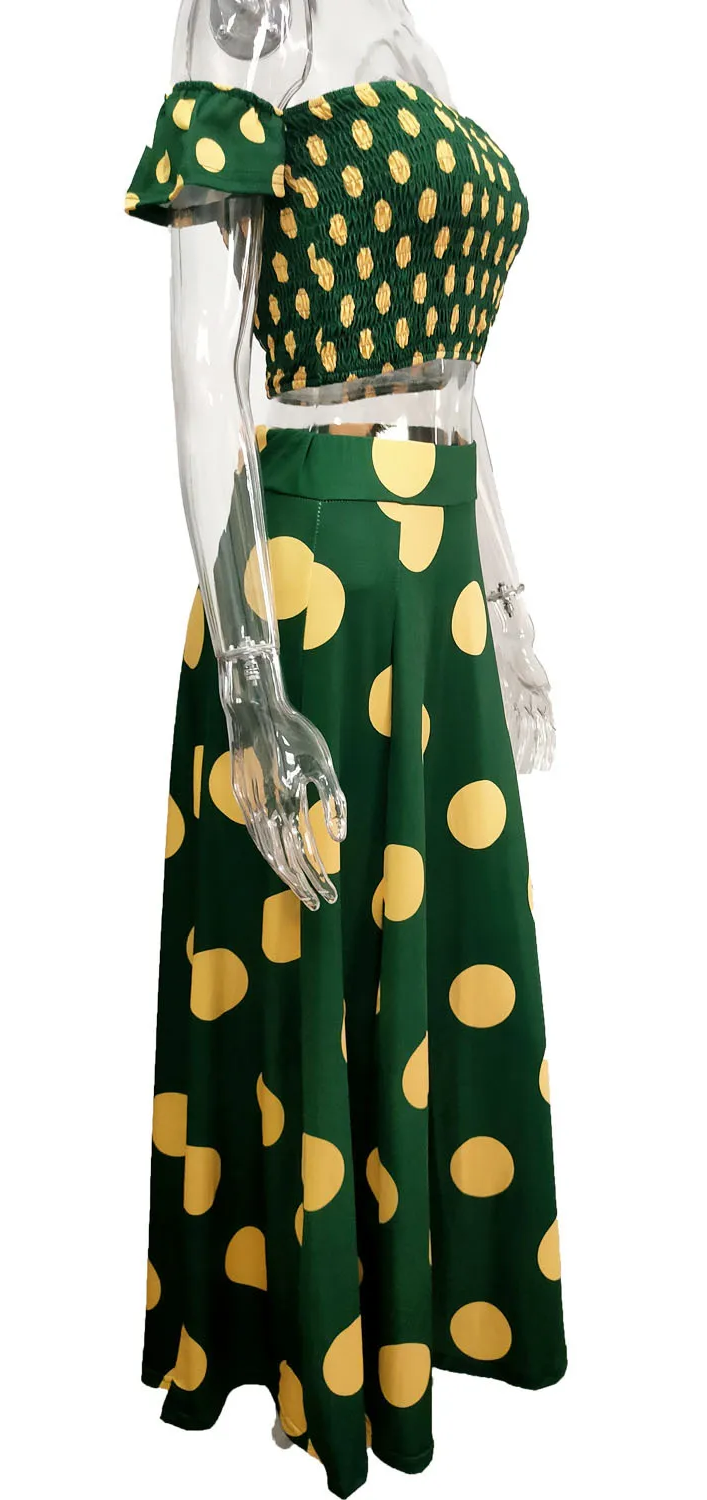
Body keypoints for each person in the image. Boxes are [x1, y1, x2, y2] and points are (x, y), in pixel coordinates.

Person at [125, 3, 566, 1494]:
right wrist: (250, 673)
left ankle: (401, 1333)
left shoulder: (415, 45)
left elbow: (460, 385)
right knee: (310, 961)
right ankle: (306, 1350)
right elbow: (205, 362)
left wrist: (509, 598)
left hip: (439, 589)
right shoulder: (257, 19)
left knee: (436, 962)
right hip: (308, 579)